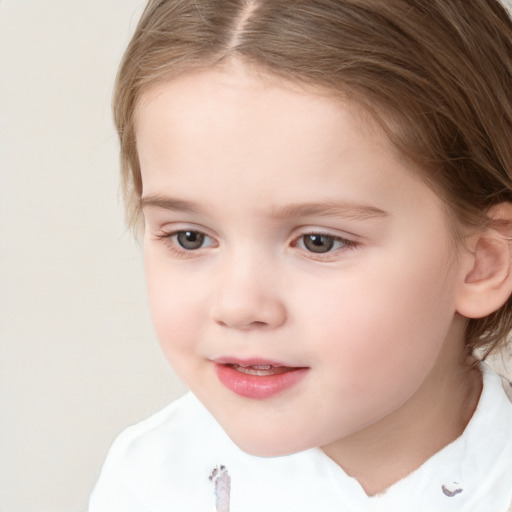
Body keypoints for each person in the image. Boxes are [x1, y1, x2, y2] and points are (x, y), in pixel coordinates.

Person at [89, 1, 512, 510]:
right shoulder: (148, 483)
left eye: (319, 242)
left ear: (484, 261)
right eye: (190, 238)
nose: (239, 305)